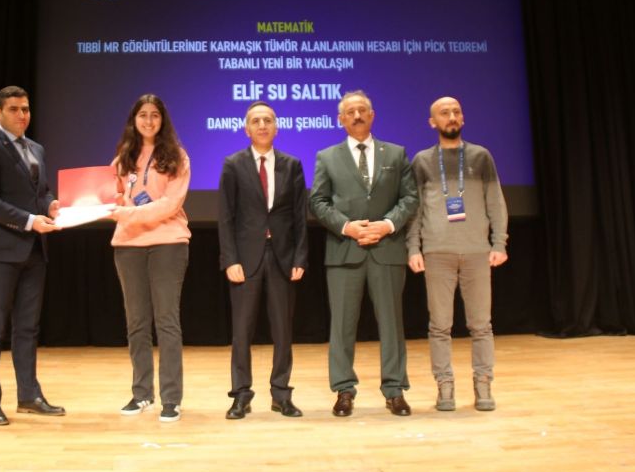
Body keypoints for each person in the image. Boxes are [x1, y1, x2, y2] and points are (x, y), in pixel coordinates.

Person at [309, 90, 419, 417]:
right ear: (340, 119)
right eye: (350, 112)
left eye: (362, 110)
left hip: (387, 249)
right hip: (345, 250)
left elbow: (410, 198)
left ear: (372, 115)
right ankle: (344, 390)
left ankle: (394, 390)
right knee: (342, 326)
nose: (356, 116)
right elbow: (317, 201)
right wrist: (347, 227)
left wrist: (387, 225)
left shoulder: (396, 154)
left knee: (392, 324)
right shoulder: (327, 156)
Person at [0, 85, 65, 426]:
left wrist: (51, 204)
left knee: (27, 328)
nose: (22, 115)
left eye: (25, 109)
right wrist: (29, 221)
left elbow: (41, 192)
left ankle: (29, 396)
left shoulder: (36, 148)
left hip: (34, 251)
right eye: (14, 109)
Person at [406, 96, 509, 412]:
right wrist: (413, 247)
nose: (451, 116)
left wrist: (499, 243)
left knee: (481, 325)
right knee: (439, 326)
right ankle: (445, 385)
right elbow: (415, 210)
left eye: (456, 112)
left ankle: (483, 383)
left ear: (462, 118)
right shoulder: (422, 161)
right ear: (432, 122)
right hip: (437, 252)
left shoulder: (481, 156)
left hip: (477, 251)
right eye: (444, 113)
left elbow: (495, 202)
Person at [218, 102, 309, 420]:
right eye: (256, 121)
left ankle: (281, 394)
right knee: (242, 332)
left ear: (276, 127)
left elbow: (299, 216)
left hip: (283, 257)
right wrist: (230, 259)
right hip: (245, 259)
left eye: (268, 120)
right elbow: (226, 217)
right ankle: (241, 395)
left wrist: (300, 257)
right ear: (247, 129)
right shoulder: (233, 164)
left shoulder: (292, 164)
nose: (262, 125)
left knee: (283, 331)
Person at [110, 94, 191, 423]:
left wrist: (128, 213)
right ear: (134, 119)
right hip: (128, 245)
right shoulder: (122, 158)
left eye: (154, 115)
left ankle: (171, 398)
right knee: (137, 323)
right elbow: (112, 197)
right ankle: (142, 393)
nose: (148, 120)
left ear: (162, 120)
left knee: (166, 321)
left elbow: (170, 205)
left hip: (168, 243)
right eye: (142, 115)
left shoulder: (177, 156)